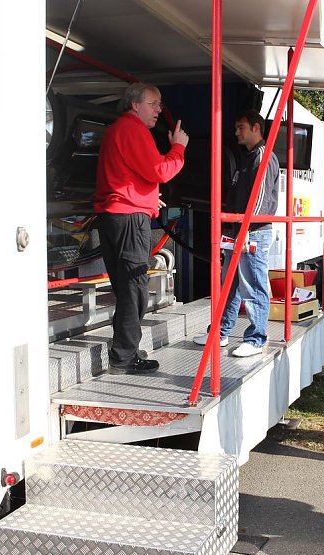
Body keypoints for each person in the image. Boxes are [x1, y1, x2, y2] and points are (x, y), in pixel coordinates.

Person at [95, 82, 189, 374]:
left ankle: (127, 349)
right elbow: (159, 170)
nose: (159, 109)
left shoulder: (117, 130)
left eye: (160, 104)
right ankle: (124, 357)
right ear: (135, 104)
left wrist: (147, 197)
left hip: (113, 216)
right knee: (134, 287)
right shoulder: (134, 130)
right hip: (129, 220)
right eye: (154, 103)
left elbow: (126, 175)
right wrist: (178, 148)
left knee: (126, 287)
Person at [193, 110, 279, 357]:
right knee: (229, 284)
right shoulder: (248, 156)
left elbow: (260, 199)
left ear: (256, 128)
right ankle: (220, 333)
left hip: (252, 232)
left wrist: (245, 229)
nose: (236, 132)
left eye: (241, 126)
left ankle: (256, 339)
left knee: (253, 286)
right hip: (239, 230)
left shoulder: (262, 156)